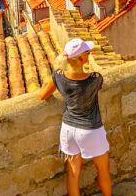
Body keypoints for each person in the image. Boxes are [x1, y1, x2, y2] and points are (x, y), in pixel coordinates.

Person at [37, 38, 112, 196]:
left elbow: (42, 95)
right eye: (87, 53)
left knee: (73, 174)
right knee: (103, 171)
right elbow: (99, 86)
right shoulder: (95, 78)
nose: (89, 55)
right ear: (81, 58)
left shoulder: (58, 76)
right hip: (91, 130)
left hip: (68, 130)